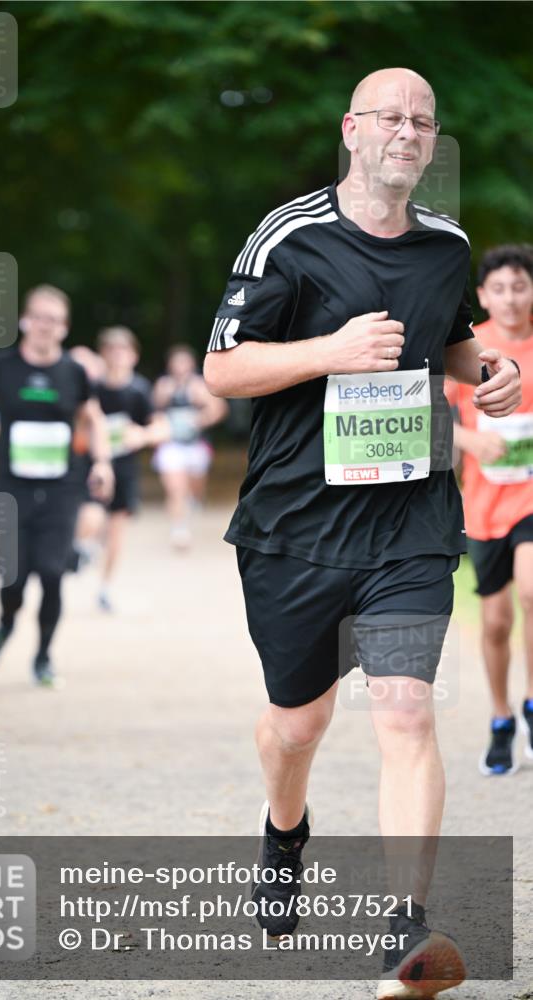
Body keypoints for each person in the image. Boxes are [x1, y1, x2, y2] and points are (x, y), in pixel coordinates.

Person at [204, 68, 521, 1000]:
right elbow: (224, 371)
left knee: (404, 710)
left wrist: (487, 368)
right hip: (295, 527)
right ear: (350, 129)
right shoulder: (288, 237)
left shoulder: (444, 245)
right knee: (296, 726)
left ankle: (404, 936)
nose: (408, 131)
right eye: (390, 115)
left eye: (423, 120)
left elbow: (446, 336)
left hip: (409, 523)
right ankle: (284, 829)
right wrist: (327, 352)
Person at [0, 285, 113, 687]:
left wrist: (102, 462)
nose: (44, 326)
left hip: (60, 489)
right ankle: (5, 625)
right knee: (13, 577)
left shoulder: (73, 372)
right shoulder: (2, 367)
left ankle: (43, 656)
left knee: (52, 573)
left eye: (53, 320)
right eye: (38, 317)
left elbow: (95, 417)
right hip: (11, 487)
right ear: (24, 321)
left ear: (64, 328)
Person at [445, 244, 533, 775]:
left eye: (519, 286)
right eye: (498, 288)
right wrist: (471, 443)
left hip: (530, 498)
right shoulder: (468, 349)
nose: (510, 297)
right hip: (482, 503)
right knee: (496, 620)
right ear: (483, 295)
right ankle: (502, 716)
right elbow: (431, 414)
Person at [70, 327, 158, 612]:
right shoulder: (92, 388)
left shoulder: (140, 390)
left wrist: (142, 435)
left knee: (117, 532)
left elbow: (160, 426)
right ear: (103, 355)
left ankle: (105, 588)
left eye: (124, 351)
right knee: (91, 517)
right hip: (93, 464)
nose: (118, 356)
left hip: (125, 469)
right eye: (112, 351)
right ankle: (84, 549)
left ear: (134, 355)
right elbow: (78, 425)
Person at [152, 344, 227, 549]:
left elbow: (219, 410)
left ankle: (193, 502)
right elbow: (153, 412)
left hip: (195, 445)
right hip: (171, 444)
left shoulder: (200, 385)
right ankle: (179, 529)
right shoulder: (163, 385)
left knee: (194, 488)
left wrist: (200, 419)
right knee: (175, 489)